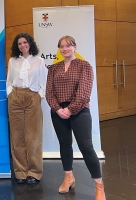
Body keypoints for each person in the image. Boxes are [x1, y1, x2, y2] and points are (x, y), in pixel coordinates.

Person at [46, 36, 106, 200]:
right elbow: (49, 93)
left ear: (75, 47)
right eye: (61, 46)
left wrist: (70, 110)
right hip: (58, 112)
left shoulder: (84, 65)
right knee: (65, 145)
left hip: (79, 111)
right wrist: (58, 109)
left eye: (68, 45)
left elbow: (84, 92)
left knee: (86, 147)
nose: (65, 49)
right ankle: (68, 177)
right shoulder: (53, 68)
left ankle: (99, 186)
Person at [6, 33, 47, 184]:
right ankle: (20, 172)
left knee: (33, 135)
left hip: (32, 97)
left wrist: (39, 96)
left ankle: (34, 172)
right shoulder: (12, 61)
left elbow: (44, 81)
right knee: (17, 136)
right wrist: (10, 94)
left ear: (30, 43)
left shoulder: (39, 60)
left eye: (25, 42)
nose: (22, 45)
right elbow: (9, 79)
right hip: (15, 96)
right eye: (19, 44)